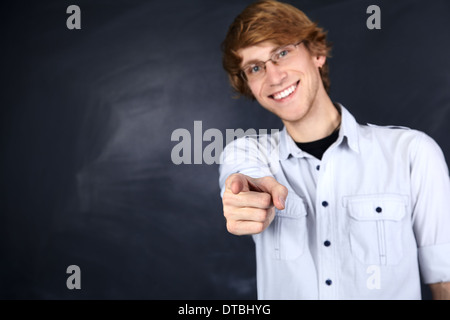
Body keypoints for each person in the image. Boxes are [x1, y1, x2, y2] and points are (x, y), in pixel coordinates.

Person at [218, 0, 450, 300]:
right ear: (248, 85)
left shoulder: (412, 153)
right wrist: (244, 195)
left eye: (282, 53)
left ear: (317, 53)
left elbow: (444, 280)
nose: (274, 77)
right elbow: (239, 170)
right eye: (255, 68)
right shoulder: (249, 153)